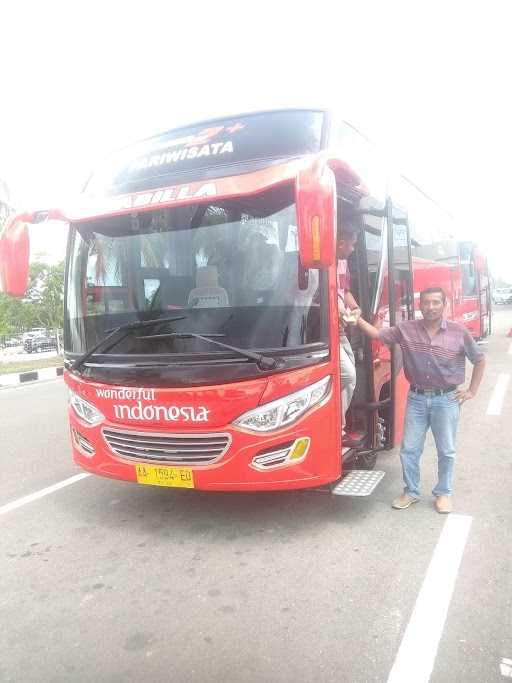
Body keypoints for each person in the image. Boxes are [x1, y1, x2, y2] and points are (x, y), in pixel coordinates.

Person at [356, 286, 485, 513]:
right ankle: (411, 491)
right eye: (426, 303)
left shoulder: (459, 332)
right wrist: (355, 318)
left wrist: (472, 391)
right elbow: (377, 334)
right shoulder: (406, 329)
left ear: (444, 305)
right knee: (409, 448)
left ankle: (444, 493)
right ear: (420, 305)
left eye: (436, 302)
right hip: (416, 398)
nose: (430, 307)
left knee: (446, 450)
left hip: (446, 400)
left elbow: (479, 359)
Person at [336, 223, 361, 446]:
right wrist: (336, 312)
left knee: (351, 379)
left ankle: (339, 428)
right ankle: (335, 427)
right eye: (352, 245)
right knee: (347, 375)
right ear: (341, 243)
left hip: (341, 329)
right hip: (326, 332)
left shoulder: (343, 263)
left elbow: (345, 292)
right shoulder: (320, 264)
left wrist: (354, 309)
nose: (353, 249)